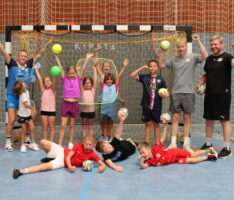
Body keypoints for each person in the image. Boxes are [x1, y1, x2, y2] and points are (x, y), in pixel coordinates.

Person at [0, 38, 52, 151]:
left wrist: (48, 43)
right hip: (12, 96)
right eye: (21, 56)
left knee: (31, 117)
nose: (23, 57)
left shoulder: (29, 64)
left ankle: (28, 138)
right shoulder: (12, 63)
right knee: (12, 119)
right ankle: (8, 141)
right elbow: (3, 51)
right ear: (18, 57)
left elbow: (40, 55)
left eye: (25, 56)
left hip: (24, 96)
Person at [158, 34, 208, 152]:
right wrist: (163, 52)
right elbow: (160, 65)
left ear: (186, 46)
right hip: (175, 92)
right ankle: (173, 143)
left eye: (182, 46)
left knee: (187, 118)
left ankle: (186, 144)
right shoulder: (173, 59)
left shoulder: (193, 57)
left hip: (189, 92)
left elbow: (205, 55)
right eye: (179, 47)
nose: (181, 49)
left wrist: (198, 41)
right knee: (175, 118)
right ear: (176, 47)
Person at [196, 35, 234, 158]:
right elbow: (205, 75)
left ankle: (227, 147)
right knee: (209, 120)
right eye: (212, 44)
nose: (213, 46)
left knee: (224, 121)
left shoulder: (228, 57)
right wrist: (200, 84)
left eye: (216, 44)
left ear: (222, 44)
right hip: (209, 94)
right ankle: (208, 144)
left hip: (223, 94)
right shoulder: (209, 59)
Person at [12, 134, 106, 179]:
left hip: (62, 161)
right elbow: (69, 157)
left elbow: (102, 164)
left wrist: (102, 167)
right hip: (61, 151)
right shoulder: (78, 145)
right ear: (83, 143)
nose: (88, 146)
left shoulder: (92, 154)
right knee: (42, 142)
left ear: (93, 145)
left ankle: (21, 171)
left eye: (90, 145)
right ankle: (49, 156)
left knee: (44, 167)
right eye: (86, 144)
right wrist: (70, 167)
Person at [55, 53, 94, 149]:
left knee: (72, 125)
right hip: (66, 103)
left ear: (76, 73)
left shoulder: (78, 79)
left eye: (73, 73)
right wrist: (56, 57)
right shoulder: (65, 79)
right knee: (63, 125)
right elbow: (60, 67)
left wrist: (87, 59)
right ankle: (59, 144)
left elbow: (83, 69)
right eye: (70, 73)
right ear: (67, 73)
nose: (71, 75)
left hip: (74, 104)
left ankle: (70, 142)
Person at [137, 124, 218, 169]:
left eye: (143, 152)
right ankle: (208, 157)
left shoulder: (155, 149)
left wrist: (165, 126)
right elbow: (144, 166)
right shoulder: (148, 161)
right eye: (141, 153)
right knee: (192, 161)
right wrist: (140, 161)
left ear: (149, 149)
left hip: (175, 152)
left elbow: (162, 138)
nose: (142, 155)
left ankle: (209, 150)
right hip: (175, 160)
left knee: (192, 155)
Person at [130, 60, 168, 143]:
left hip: (157, 106)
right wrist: (142, 67)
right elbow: (132, 75)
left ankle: (157, 143)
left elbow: (166, 92)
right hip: (146, 105)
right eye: (150, 66)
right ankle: (147, 143)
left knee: (156, 124)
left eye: (154, 66)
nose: (152, 68)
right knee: (147, 124)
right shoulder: (144, 77)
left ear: (158, 68)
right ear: (148, 68)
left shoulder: (161, 79)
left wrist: (165, 94)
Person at [96, 58, 129, 140]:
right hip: (104, 108)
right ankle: (104, 137)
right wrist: (96, 65)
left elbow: (119, 75)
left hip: (111, 108)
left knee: (111, 124)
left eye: (111, 79)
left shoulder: (115, 86)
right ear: (105, 80)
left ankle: (111, 137)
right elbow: (100, 74)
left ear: (113, 80)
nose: (109, 81)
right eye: (107, 79)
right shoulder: (103, 85)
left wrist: (124, 66)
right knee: (104, 124)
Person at [12, 81, 39, 152]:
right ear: (21, 87)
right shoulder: (23, 94)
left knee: (32, 128)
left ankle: (32, 143)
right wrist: (33, 109)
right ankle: (23, 145)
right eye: (23, 83)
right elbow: (26, 104)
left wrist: (30, 112)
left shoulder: (27, 91)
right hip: (22, 115)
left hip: (27, 114)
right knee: (23, 130)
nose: (24, 83)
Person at [33, 63, 57, 141]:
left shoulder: (53, 90)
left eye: (49, 81)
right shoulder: (43, 90)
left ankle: (51, 142)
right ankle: (44, 141)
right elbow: (40, 79)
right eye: (45, 81)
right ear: (43, 83)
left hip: (51, 111)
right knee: (45, 126)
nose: (47, 82)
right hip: (44, 111)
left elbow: (54, 80)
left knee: (51, 127)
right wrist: (36, 69)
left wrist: (55, 74)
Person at [80, 59, 98, 137]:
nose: (88, 84)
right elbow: (79, 77)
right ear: (84, 84)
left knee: (90, 126)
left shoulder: (92, 90)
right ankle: (84, 140)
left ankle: (91, 140)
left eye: (89, 83)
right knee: (84, 127)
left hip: (91, 111)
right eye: (86, 83)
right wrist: (79, 71)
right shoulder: (82, 90)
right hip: (84, 111)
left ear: (91, 84)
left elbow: (95, 78)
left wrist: (94, 69)